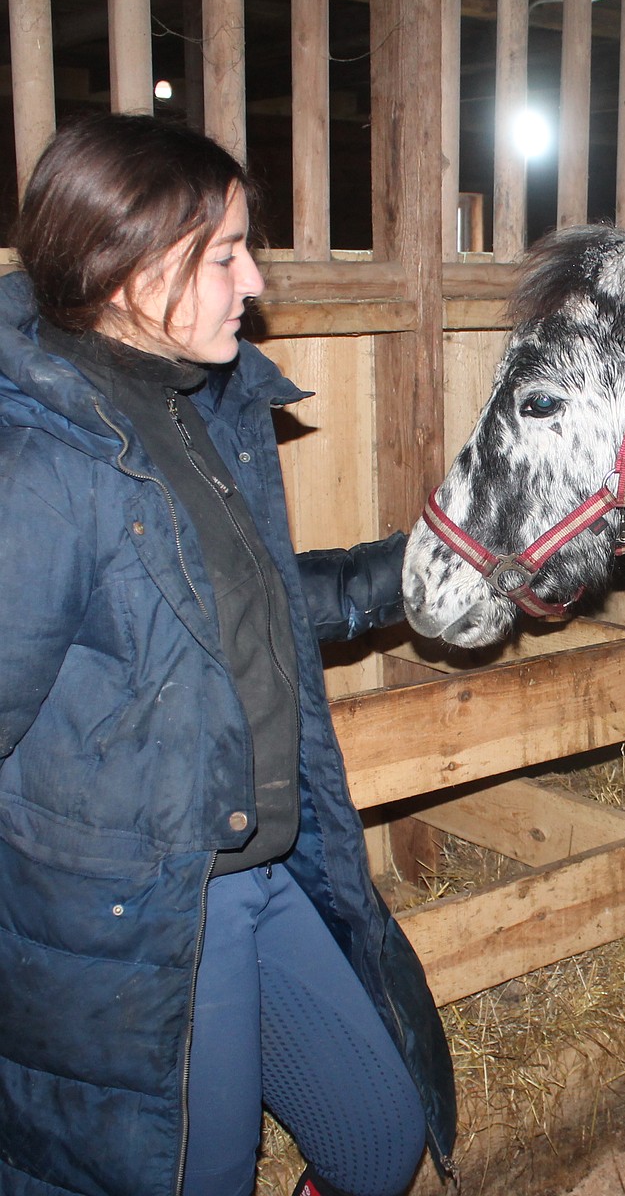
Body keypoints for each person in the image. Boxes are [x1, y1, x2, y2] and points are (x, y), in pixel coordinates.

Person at [0, 113, 456, 1196]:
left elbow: (235, 606)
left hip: (253, 873)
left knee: (376, 1139)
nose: (254, 281)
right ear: (127, 266)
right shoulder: (38, 459)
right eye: (224, 255)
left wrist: (416, 573)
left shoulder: (196, 403)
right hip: (142, 917)